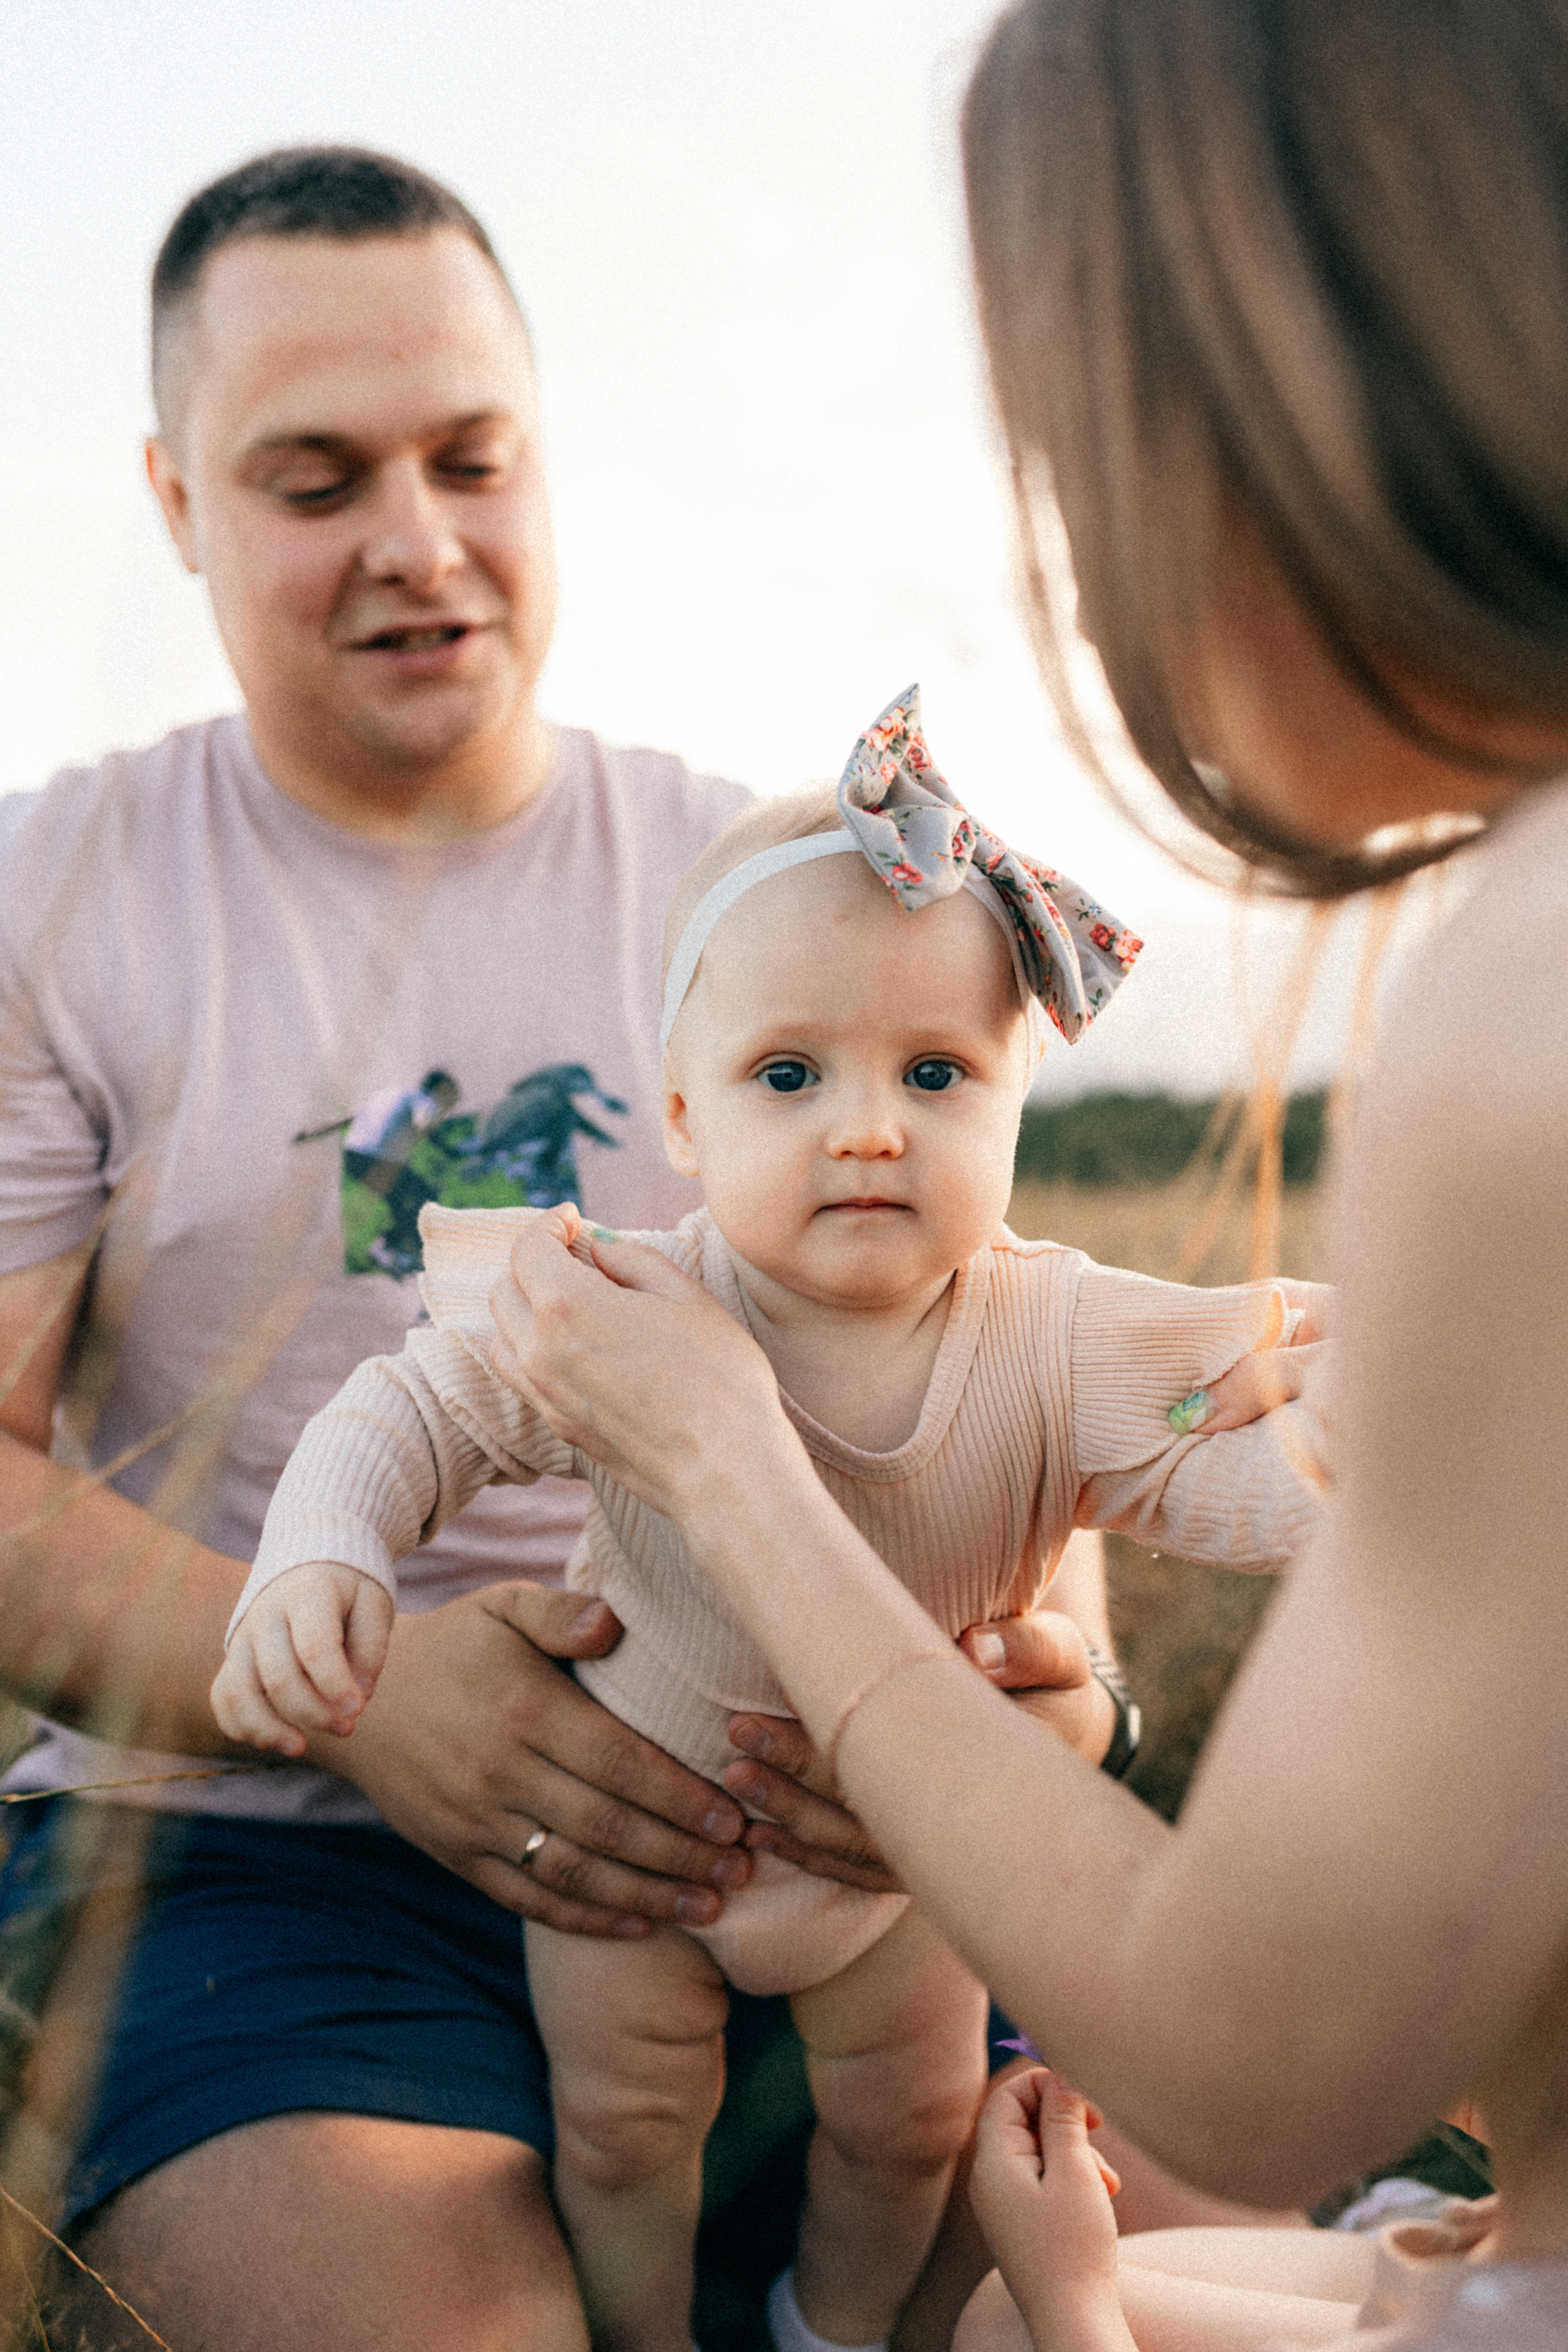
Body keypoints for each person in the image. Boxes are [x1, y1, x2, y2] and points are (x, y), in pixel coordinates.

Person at [481, 2, 1568, 2346]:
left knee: (1031, 2304)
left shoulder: (1526, 999)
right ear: (683, 1117)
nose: (1090, 576)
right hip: (1478, 2229)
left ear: (1299, 400)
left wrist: (735, 1476)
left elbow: (1268, 2060)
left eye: (1089, 459)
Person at [0, 145, 1128, 2351]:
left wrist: (1055, 1668)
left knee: (1171, 2260)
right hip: (251, 1854)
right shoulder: (52, 895)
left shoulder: (766, 886)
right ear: (172, 499)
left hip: (811, 1818)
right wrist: (354, 1698)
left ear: (543, 460)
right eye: (314, 478)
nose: (417, 543)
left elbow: (1001, 1330)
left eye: (470, 459)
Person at [215, 693, 1326, 2352]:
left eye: (936, 1072)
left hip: (902, 1860)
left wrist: (1364, 1477)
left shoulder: (1060, 1339)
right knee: (626, 2128)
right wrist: (321, 1551)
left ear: (1013, 1102)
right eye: (789, 1073)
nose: (867, 1125)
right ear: (683, 1121)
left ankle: (835, 2326)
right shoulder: (627, 1305)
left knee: (907, 2125)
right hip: (638, 1835)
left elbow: (1222, 1475)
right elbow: (415, 1411)